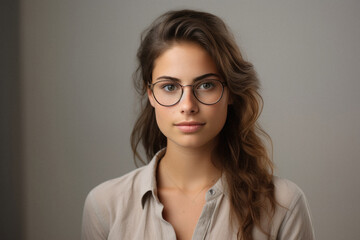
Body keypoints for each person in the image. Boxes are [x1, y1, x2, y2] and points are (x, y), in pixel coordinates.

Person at [81, 9, 315, 240]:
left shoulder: (284, 206)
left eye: (206, 85)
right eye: (170, 87)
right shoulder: (105, 206)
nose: (188, 105)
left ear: (230, 91)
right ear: (150, 93)